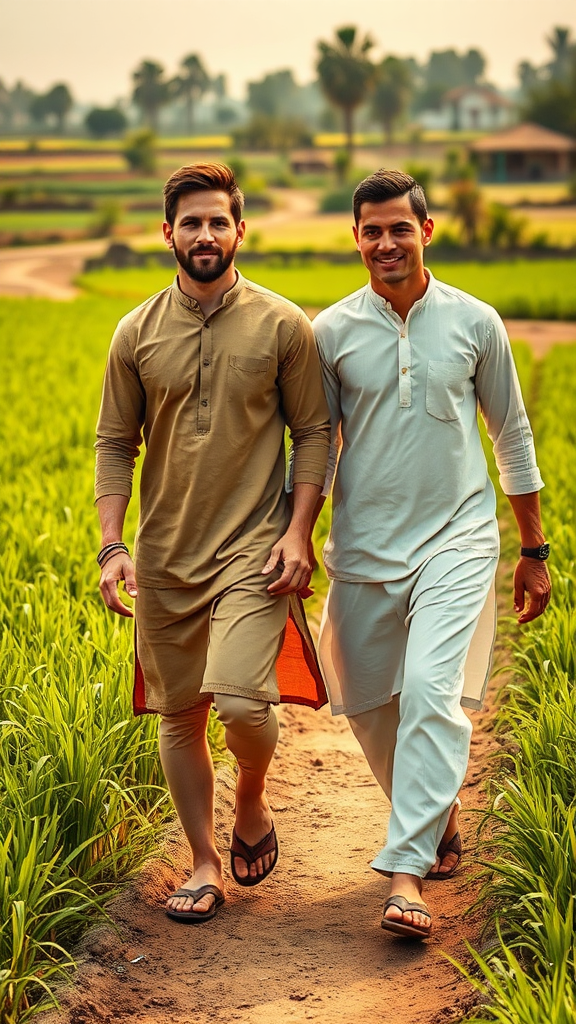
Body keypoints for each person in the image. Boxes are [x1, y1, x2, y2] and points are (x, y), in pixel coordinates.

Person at [313, 168, 551, 939]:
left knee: (429, 689)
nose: (386, 243)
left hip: (458, 536)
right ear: (355, 238)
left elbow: (510, 432)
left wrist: (533, 546)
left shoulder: (476, 322)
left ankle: (406, 870)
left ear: (427, 232)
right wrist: (292, 536)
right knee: (364, 698)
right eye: (372, 231)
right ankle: (436, 816)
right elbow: (314, 448)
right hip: (362, 545)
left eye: (400, 228)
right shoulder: (331, 333)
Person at [95, 162, 330, 924]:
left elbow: (315, 432)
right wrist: (111, 544)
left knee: (239, 701)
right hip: (164, 553)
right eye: (190, 223)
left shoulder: (282, 325)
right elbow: (113, 443)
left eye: (217, 222)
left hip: (252, 551)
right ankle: (202, 862)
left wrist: (299, 532)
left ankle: (253, 801)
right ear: (168, 233)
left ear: (239, 231)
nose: (205, 235)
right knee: (178, 714)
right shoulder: (135, 332)